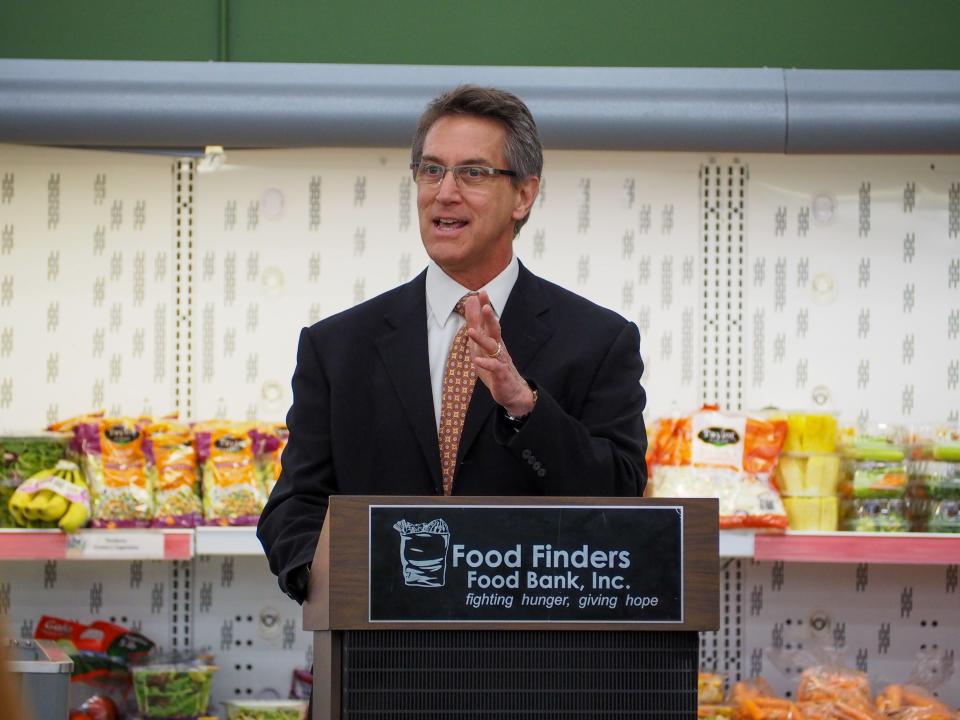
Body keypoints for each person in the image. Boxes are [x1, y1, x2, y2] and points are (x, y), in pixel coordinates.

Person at [257, 85, 647, 604]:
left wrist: (524, 408)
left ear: (524, 195)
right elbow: (295, 505)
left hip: (534, 665)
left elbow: (621, 499)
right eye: (432, 170)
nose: (445, 192)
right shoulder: (336, 347)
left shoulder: (599, 340)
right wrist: (326, 580)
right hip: (378, 663)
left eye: (473, 173)